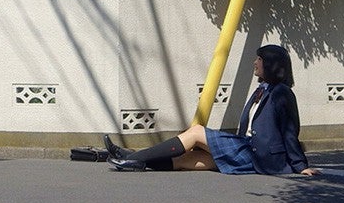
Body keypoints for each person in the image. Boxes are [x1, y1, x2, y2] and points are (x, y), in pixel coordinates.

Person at [104, 44, 319, 176]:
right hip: (248, 150)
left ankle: (133, 156)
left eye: (259, 59)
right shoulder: (261, 90)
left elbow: (290, 132)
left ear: (271, 64)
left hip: (261, 156)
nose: (254, 63)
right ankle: (135, 163)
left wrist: (300, 165)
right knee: (186, 160)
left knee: (197, 131)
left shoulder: (282, 93)